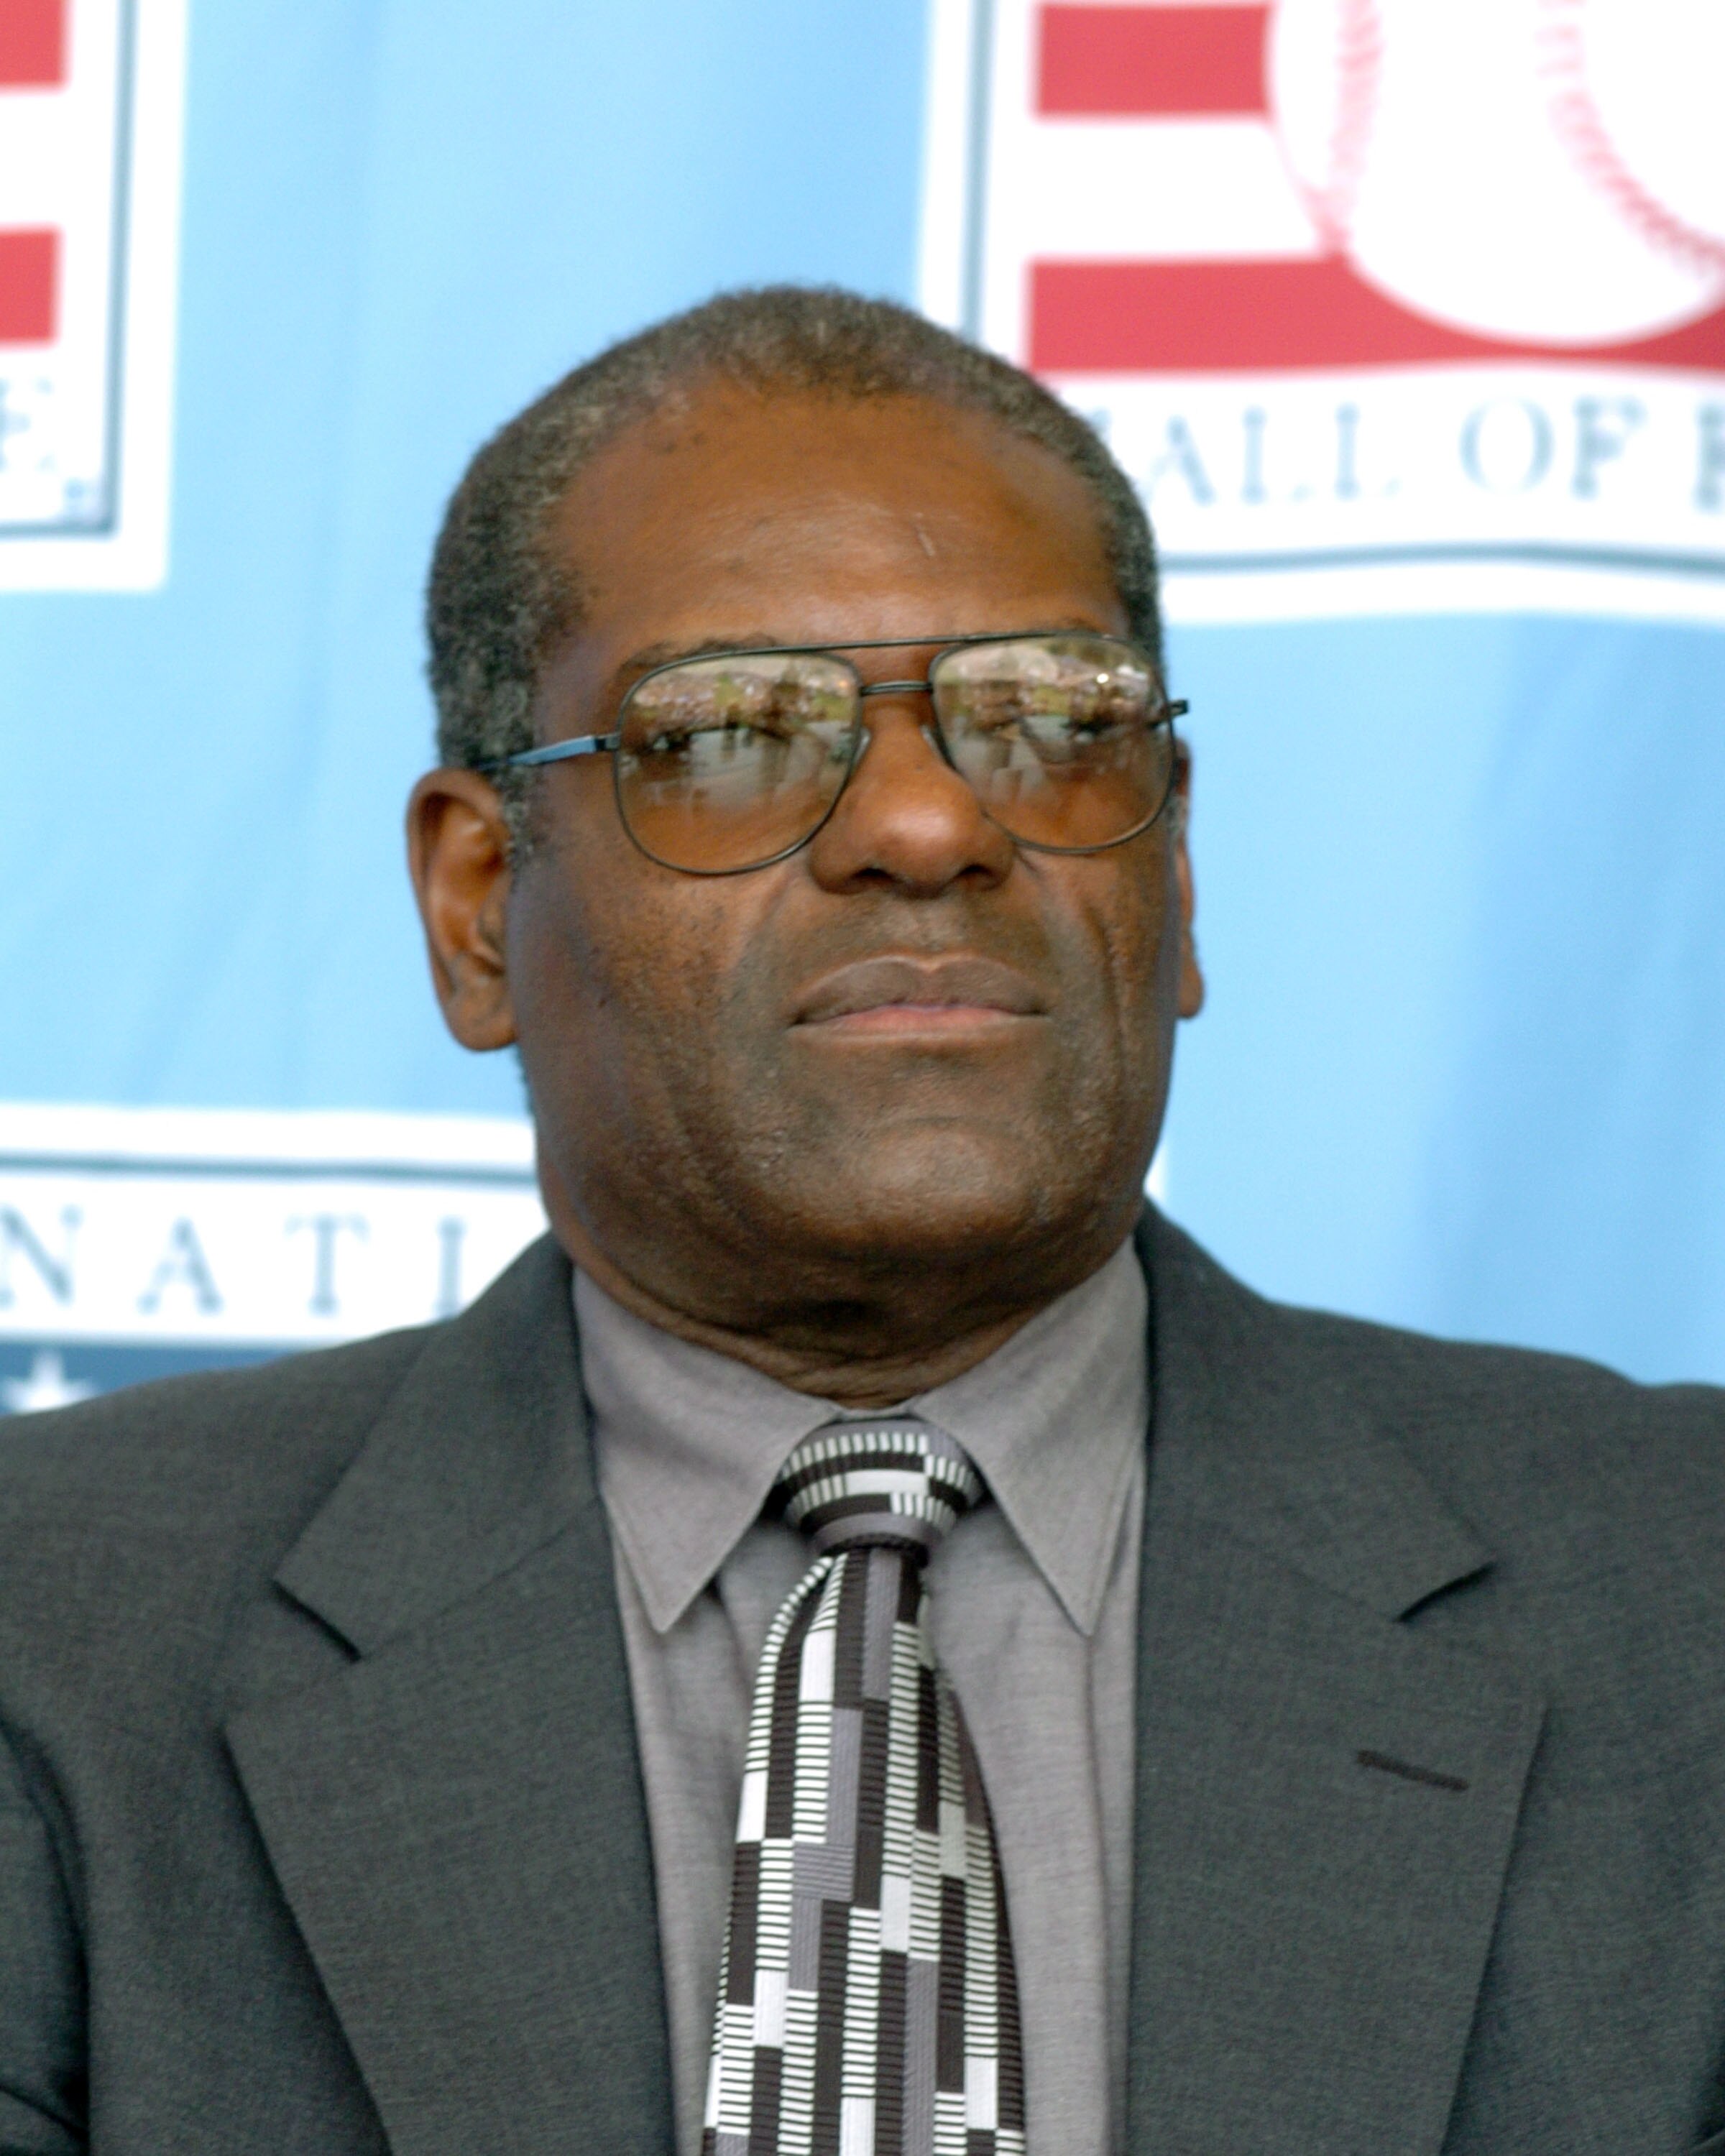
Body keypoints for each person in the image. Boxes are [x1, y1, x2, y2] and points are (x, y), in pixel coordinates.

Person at [2, 287, 1723, 2156]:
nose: (922, 821)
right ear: (483, 903)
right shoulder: (58, 1643)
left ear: (1179, 854)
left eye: (1051, 721)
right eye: (734, 730)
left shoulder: (1682, 1606)